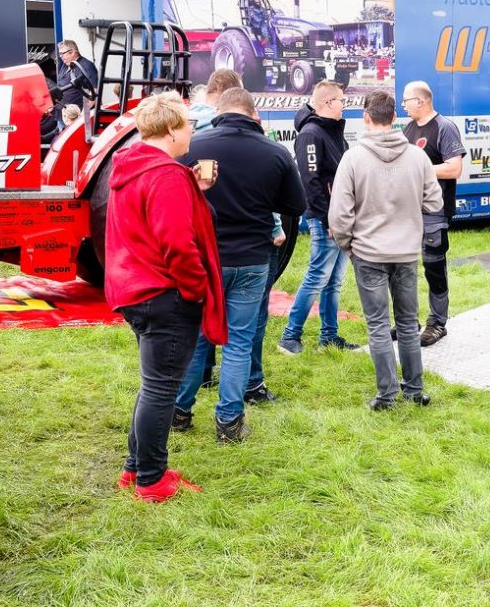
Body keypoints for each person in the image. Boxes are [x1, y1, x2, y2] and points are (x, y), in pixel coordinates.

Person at [104, 91, 226, 502]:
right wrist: (195, 289)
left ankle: (135, 468)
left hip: (135, 288)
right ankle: (152, 480)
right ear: (172, 130)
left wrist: (193, 187)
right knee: (161, 389)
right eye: (189, 124)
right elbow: (177, 243)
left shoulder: (134, 165)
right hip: (164, 293)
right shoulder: (166, 175)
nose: (193, 130)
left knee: (153, 384)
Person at [174, 87, 306, 443]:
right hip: (252, 259)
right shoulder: (275, 152)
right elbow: (296, 206)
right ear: (253, 113)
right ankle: (229, 422)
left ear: (219, 110)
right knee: (239, 341)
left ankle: (180, 412)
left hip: (207, 258)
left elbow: (175, 198)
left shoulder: (194, 146)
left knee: (199, 336)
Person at [328, 90, 442, 410]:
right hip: (405, 253)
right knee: (407, 323)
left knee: (378, 325)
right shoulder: (417, 157)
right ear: (394, 117)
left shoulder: (353, 158)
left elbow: (339, 216)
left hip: (368, 253)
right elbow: (435, 202)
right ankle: (414, 391)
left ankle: (387, 396)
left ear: (366, 117)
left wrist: (349, 247)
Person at [279, 80, 358, 354]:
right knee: (317, 277)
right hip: (327, 221)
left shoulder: (333, 131)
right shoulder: (311, 134)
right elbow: (311, 182)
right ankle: (290, 336)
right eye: (341, 101)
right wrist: (328, 220)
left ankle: (329, 336)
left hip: (340, 218)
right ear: (328, 103)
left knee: (334, 281)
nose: (344, 105)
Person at [402, 80, 466, 346]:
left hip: (434, 211)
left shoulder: (444, 127)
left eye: (406, 100)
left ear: (421, 101)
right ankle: (407, 321)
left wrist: (419, 168)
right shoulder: (408, 128)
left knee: (434, 268)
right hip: (408, 211)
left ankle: (437, 322)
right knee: (403, 268)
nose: (403, 105)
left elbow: (454, 168)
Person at [55, 39, 98, 124]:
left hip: (76, 117)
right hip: (62, 115)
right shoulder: (65, 65)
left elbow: (94, 92)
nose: (61, 56)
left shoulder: (86, 66)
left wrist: (83, 114)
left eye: (62, 54)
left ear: (72, 52)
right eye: (60, 54)